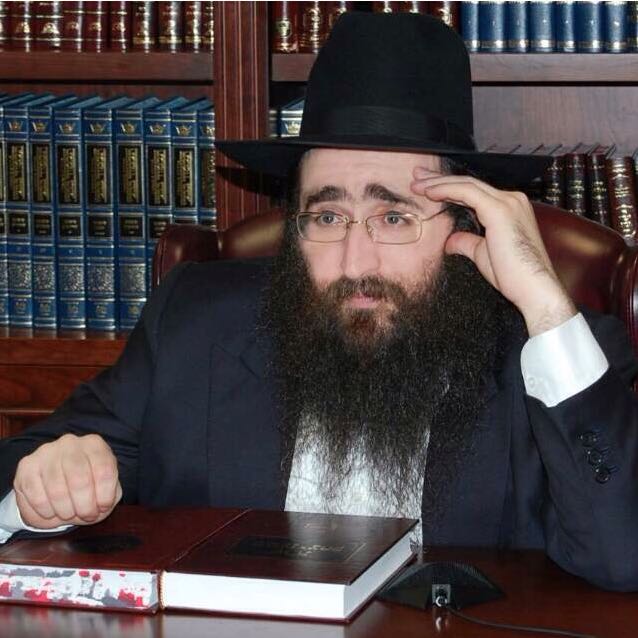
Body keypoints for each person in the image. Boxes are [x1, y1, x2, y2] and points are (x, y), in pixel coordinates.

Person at [1, 13, 637, 591]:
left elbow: (623, 557)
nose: (356, 264)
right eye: (328, 216)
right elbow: (19, 469)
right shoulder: (195, 322)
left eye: (394, 217)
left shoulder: (553, 358)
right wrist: (42, 488)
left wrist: (545, 307)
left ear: (463, 225)